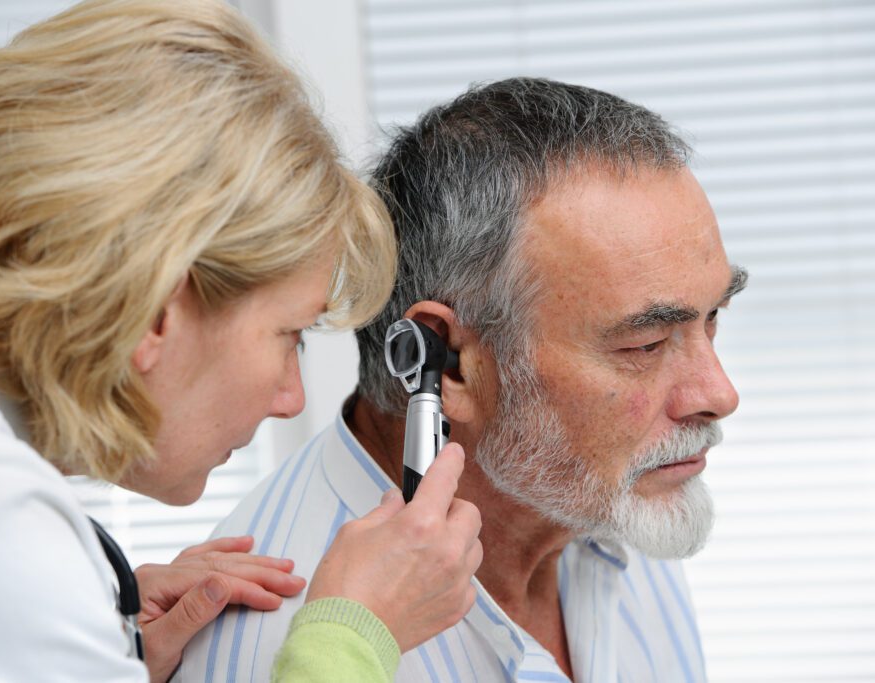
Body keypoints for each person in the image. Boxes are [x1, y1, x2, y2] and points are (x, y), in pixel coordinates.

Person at [0, 1, 482, 682]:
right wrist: (352, 633)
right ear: (151, 312)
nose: (292, 399)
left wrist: (92, 638)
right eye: (288, 333)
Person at [180, 77, 749, 682]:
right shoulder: (265, 643)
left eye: (711, 318)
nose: (718, 394)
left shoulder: (615, 497)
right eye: (646, 344)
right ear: (447, 361)